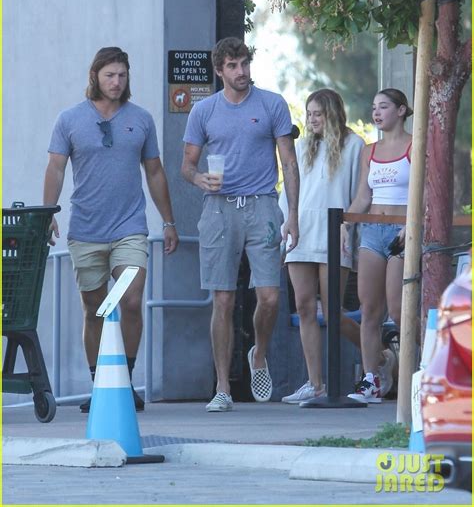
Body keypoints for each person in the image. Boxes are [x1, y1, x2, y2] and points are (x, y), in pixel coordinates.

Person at [43, 46, 179, 412]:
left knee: (131, 300)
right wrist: (47, 213)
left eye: (122, 75)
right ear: (95, 77)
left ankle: (126, 380)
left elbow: (154, 171)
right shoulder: (70, 119)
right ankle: (100, 384)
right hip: (85, 229)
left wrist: (168, 221)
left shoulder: (142, 119)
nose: (116, 82)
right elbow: (56, 168)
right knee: (94, 309)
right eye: (109, 75)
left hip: (129, 227)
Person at [181, 37, 299, 412]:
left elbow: (290, 162)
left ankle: (259, 354)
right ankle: (221, 387)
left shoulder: (271, 104)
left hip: (263, 203)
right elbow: (187, 166)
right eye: (232, 65)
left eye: (244, 63)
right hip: (217, 208)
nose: (241, 71)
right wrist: (200, 179)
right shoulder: (204, 111)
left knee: (271, 295)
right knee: (223, 298)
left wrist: (292, 212)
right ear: (219, 71)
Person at [279, 89, 364, 405]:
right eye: (309, 113)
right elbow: (289, 190)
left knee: (332, 310)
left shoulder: (353, 145)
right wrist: (288, 222)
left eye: (318, 113)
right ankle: (315, 384)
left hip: (334, 230)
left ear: (332, 113)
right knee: (303, 306)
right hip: (301, 230)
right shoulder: (301, 147)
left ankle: (379, 358)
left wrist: (348, 224)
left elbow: (359, 192)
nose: (312, 119)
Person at [342, 88, 412, 403]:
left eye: (384, 106)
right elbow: (363, 196)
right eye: (374, 107)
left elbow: (425, 193)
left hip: (402, 231)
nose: (377, 112)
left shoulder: (415, 144)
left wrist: (412, 227)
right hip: (372, 230)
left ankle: (418, 373)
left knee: (398, 309)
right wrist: (346, 224)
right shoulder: (368, 151)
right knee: (369, 309)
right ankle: (371, 379)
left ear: (401, 110)